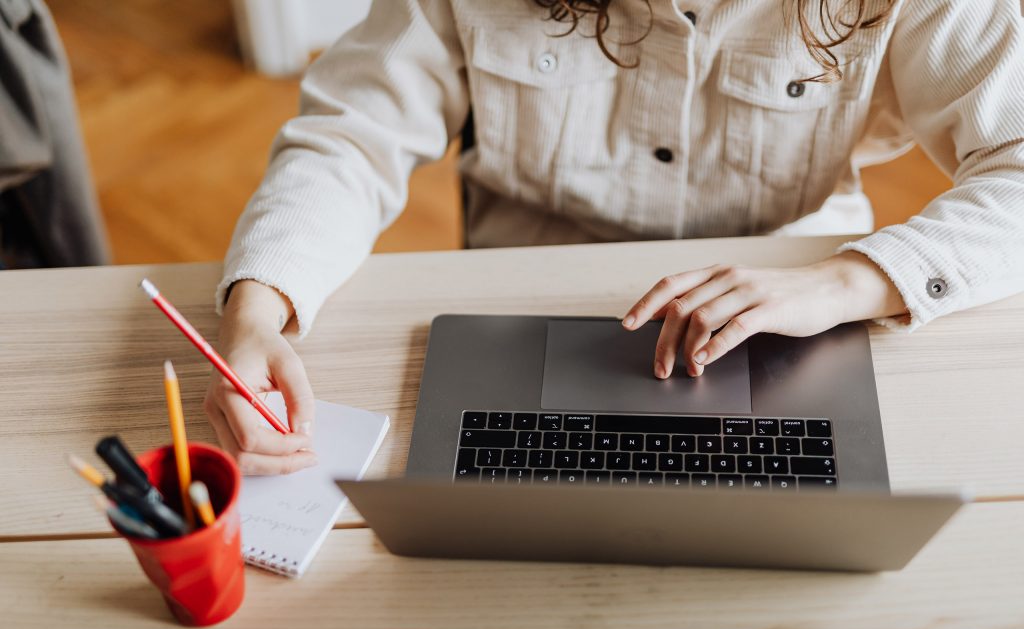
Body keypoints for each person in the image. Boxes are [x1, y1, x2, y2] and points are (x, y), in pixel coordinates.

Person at [205, 0, 1024, 475]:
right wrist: (257, 313)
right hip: (522, 298)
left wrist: (849, 279)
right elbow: (354, 135)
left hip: (800, 304)